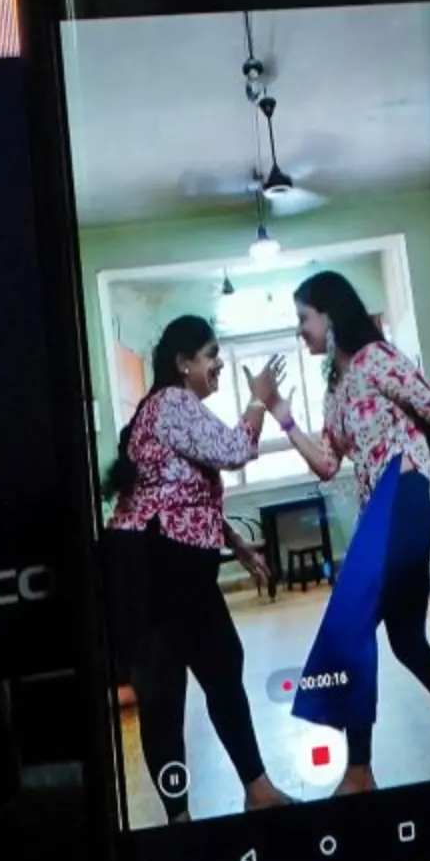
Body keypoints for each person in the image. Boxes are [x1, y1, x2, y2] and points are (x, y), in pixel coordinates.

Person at [253, 271, 430, 795]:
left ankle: (359, 772)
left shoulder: (377, 359)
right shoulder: (337, 387)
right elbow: (327, 463)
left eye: (304, 318)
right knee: (405, 640)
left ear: (330, 313)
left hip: (408, 491)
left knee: (353, 617)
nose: (300, 330)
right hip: (381, 508)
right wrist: (281, 415)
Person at [106, 314, 294, 823]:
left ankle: (249, 791)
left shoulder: (167, 409)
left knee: (214, 666)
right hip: (153, 564)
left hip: (166, 560)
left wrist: (235, 542)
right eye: (211, 355)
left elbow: (184, 492)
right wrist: (258, 398)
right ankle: (185, 817)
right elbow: (236, 451)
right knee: (168, 688)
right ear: (183, 363)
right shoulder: (171, 403)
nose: (217, 364)